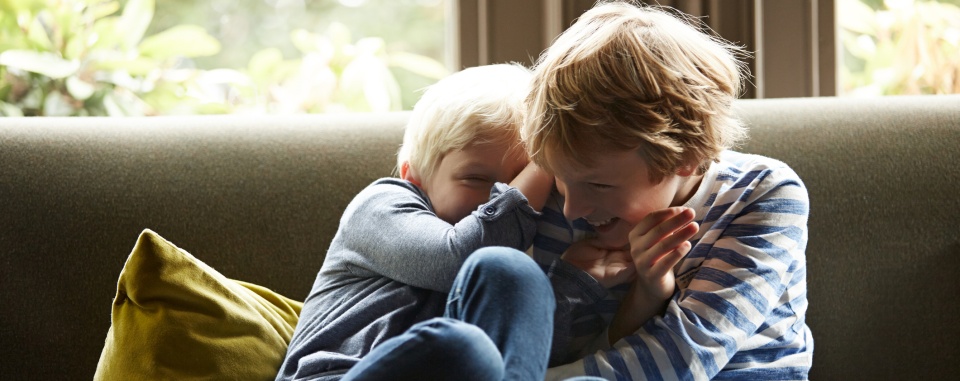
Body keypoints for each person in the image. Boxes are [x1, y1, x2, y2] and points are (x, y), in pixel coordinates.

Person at [524, 1, 814, 380]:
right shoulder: (561, 195)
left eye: (599, 184)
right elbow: (543, 351)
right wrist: (577, 286)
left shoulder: (763, 194)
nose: (571, 209)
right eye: (560, 177)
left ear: (687, 158)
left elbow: (686, 359)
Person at [274, 63, 560, 381]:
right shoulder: (380, 205)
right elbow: (456, 257)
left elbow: (529, 354)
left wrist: (573, 282)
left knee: (511, 272)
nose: (499, 198)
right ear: (416, 176)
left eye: (520, 180)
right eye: (476, 178)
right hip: (339, 375)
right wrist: (546, 163)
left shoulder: (519, 240)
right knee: (464, 346)